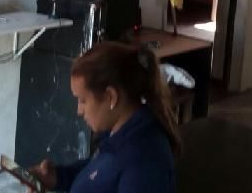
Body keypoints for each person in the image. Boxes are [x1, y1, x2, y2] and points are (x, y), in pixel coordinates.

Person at [29, 42, 179, 192]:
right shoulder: (117, 133)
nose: (79, 111)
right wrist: (58, 178)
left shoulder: (144, 162)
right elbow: (95, 177)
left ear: (110, 97)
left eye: (83, 100)